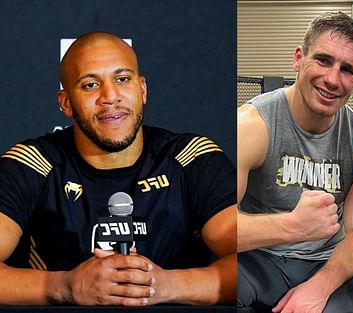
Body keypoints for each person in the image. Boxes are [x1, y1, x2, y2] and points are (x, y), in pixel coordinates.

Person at [0, 32, 236, 306]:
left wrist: (163, 285)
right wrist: (64, 286)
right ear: (65, 103)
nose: (110, 97)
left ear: (143, 89)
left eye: (122, 79)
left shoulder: (191, 157)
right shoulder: (33, 163)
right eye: (90, 85)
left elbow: (253, 258)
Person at [237, 12, 353, 313]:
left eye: (347, 69)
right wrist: (291, 227)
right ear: (298, 58)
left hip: (325, 264)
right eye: (323, 60)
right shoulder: (251, 127)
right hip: (256, 258)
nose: (332, 79)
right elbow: (214, 226)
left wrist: (318, 288)